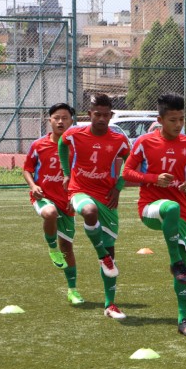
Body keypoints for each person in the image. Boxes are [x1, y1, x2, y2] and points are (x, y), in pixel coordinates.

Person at [122, 93, 186, 337]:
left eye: (181, 119)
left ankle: (183, 320)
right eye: (172, 120)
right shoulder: (145, 142)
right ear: (160, 119)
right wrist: (152, 179)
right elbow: (126, 172)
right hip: (150, 209)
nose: (178, 125)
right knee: (170, 207)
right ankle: (175, 262)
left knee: (185, 271)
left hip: (182, 213)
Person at [58, 93, 132, 319]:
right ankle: (101, 254)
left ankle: (110, 305)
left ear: (111, 115)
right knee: (89, 212)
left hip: (107, 196)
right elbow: (61, 144)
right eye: (97, 114)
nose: (101, 118)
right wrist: (66, 173)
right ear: (89, 114)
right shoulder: (74, 134)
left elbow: (131, 159)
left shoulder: (119, 139)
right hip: (79, 190)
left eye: (106, 115)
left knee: (111, 250)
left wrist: (119, 184)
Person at [23, 102, 83, 305]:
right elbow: (27, 169)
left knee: (67, 246)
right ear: (49, 120)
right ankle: (51, 247)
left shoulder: (76, 147)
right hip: (43, 197)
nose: (60, 121)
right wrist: (33, 186)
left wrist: (76, 197)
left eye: (65, 118)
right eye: (56, 117)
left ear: (71, 121)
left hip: (66, 201)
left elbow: (80, 174)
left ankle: (73, 290)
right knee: (49, 213)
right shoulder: (38, 145)